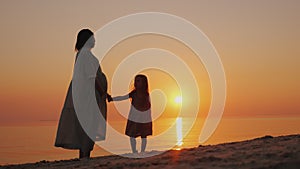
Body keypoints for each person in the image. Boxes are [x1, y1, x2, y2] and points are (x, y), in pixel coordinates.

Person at [55, 29, 108, 159]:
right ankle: (85, 156)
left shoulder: (81, 54)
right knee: (89, 125)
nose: (95, 41)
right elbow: (92, 77)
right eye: (93, 38)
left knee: (85, 125)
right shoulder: (85, 55)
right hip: (89, 96)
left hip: (83, 95)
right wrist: (103, 93)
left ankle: (84, 156)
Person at [107, 74, 152, 154]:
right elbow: (123, 97)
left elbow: (148, 106)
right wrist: (112, 99)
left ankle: (142, 151)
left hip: (143, 117)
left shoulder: (146, 94)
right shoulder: (134, 93)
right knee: (132, 135)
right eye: (135, 81)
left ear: (144, 83)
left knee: (144, 135)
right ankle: (134, 150)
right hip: (134, 117)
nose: (136, 83)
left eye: (138, 81)